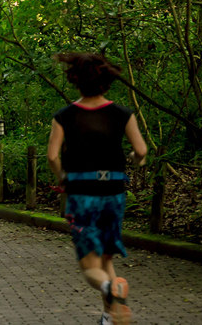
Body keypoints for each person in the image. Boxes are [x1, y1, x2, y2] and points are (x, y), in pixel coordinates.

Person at [47, 53, 148, 325]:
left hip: (82, 195)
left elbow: (53, 156)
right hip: (114, 193)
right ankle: (110, 316)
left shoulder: (64, 116)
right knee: (105, 259)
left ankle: (108, 289)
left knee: (91, 267)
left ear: (75, 81)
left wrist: (62, 178)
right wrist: (135, 161)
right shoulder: (123, 114)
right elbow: (141, 150)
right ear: (106, 81)